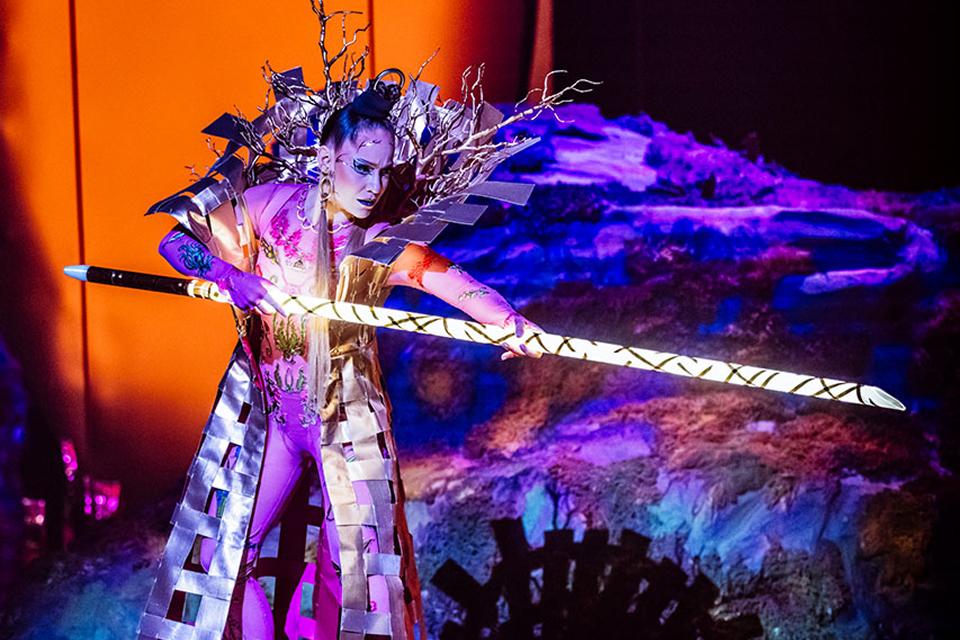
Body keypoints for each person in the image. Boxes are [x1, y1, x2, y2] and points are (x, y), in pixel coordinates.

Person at [154, 74, 542, 639]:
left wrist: (508, 322)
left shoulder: (381, 241)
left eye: (383, 172)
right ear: (325, 156)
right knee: (228, 556)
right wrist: (227, 275)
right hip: (272, 418)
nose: (373, 185)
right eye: (361, 166)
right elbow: (173, 240)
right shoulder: (267, 207)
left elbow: (453, 283)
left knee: (356, 571)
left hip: (346, 420)